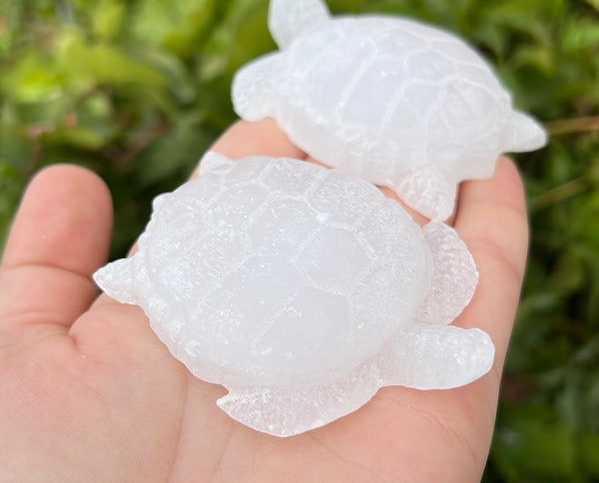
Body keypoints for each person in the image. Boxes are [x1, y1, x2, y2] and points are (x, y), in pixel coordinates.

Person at [0, 119, 529, 482]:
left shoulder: (401, 307)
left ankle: (143, 275)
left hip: (250, 218)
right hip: (233, 234)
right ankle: (139, 277)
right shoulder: (419, 288)